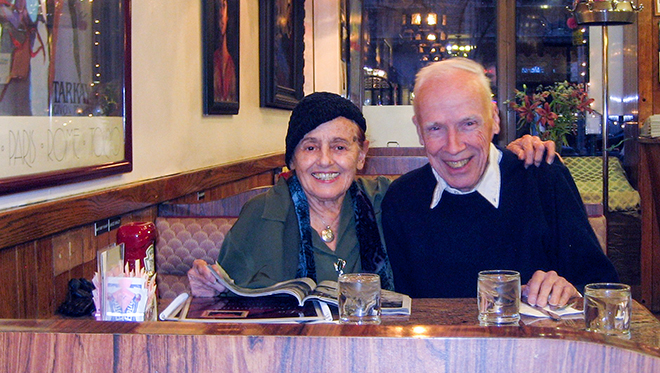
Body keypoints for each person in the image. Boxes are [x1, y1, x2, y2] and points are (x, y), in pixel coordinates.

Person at [188, 91, 554, 297]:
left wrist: (505, 157)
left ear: (362, 155)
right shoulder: (260, 214)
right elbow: (228, 301)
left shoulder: (390, 201)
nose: (325, 162)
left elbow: (459, 188)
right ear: (293, 159)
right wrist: (207, 293)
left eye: (340, 147)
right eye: (310, 147)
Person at [381, 58, 618, 308]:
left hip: (532, 346)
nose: (454, 146)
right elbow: (402, 311)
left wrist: (569, 291)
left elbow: (602, 289)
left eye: (468, 124)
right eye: (435, 128)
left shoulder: (541, 178)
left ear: (495, 119)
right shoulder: (402, 199)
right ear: (419, 130)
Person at [213, 0, 237, 102]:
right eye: (218, 7)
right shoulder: (213, 60)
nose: (221, 13)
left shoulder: (232, 64)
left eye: (224, 6)